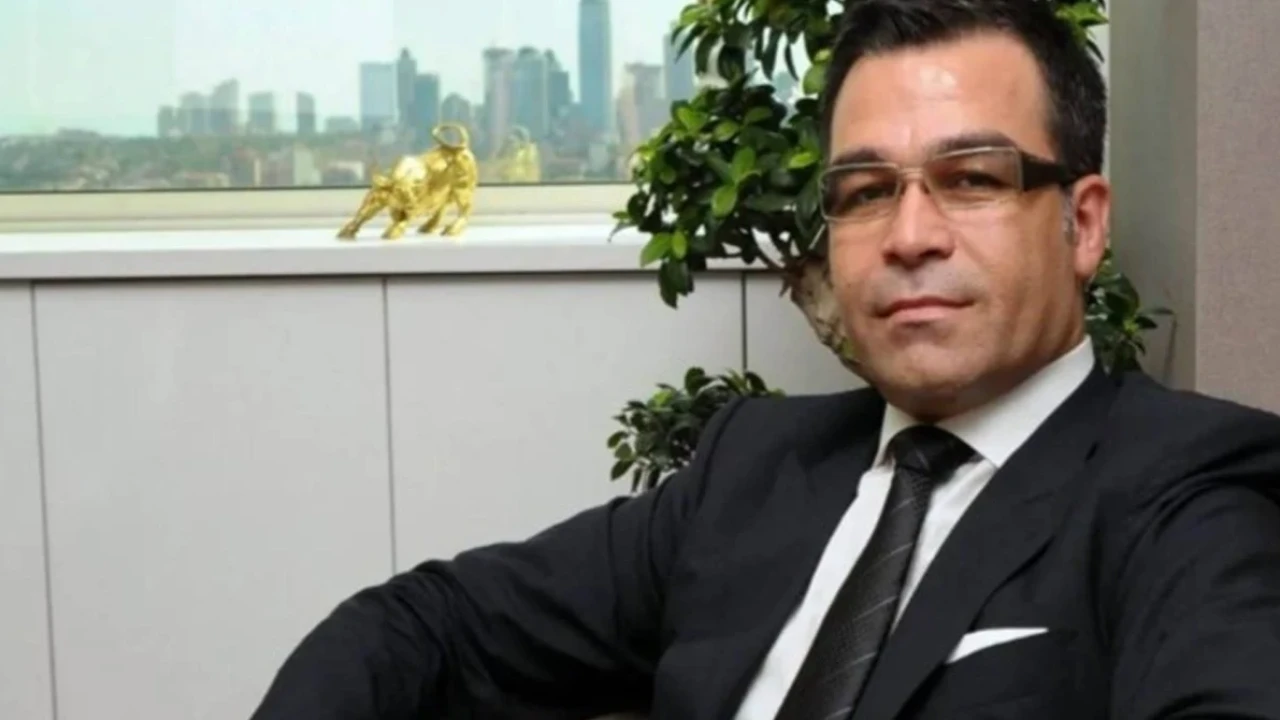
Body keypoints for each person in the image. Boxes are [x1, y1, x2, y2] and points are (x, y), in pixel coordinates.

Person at [251, 1, 1280, 718]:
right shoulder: (755, 465)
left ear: (1081, 223)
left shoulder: (1189, 489)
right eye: (864, 192)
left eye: (971, 179)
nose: (908, 235)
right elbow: (424, 626)